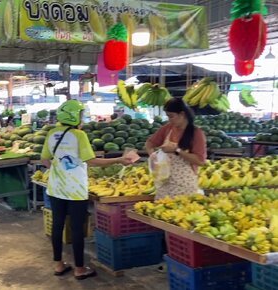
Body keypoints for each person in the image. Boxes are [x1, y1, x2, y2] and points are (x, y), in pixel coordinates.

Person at [40, 100, 133, 280]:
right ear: (74, 116)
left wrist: (59, 168)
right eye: (81, 114)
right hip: (75, 189)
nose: (82, 118)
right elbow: (91, 161)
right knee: (76, 228)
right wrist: (118, 160)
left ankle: (58, 265)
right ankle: (79, 269)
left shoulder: (51, 133)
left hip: (56, 187)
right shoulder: (78, 135)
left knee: (57, 225)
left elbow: (45, 160)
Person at [145, 97, 207, 200]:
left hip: (185, 185)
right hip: (164, 184)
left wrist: (177, 150)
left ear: (182, 114)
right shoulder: (167, 128)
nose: (169, 120)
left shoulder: (196, 133)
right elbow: (150, 143)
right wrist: (152, 156)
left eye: (171, 116)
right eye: (168, 117)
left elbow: (200, 161)